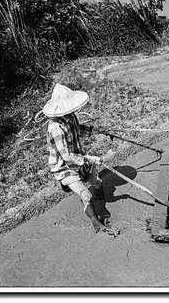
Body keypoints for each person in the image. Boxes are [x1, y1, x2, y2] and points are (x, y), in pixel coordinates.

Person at [44, 83, 119, 236]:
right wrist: (90, 159)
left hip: (80, 158)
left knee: (97, 183)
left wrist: (96, 131)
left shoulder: (70, 116)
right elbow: (66, 156)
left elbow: (78, 130)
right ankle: (96, 223)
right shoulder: (55, 128)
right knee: (86, 195)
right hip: (65, 166)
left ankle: (101, 202)